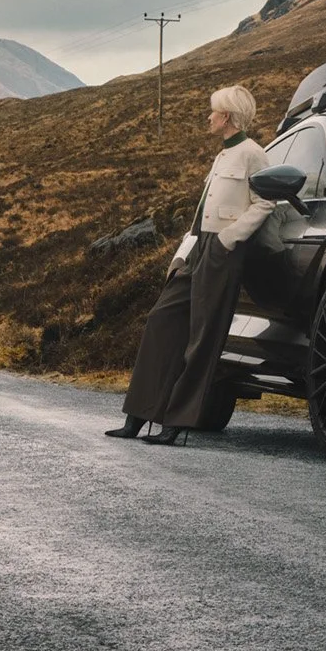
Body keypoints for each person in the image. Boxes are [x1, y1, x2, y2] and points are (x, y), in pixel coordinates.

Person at [108, 85, 277, 446]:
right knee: (161, 321)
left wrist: (230, 239)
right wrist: (183, 253)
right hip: (199, 248)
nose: (209, 117)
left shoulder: (253, 155)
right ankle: (138, 416)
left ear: (227, 117)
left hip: (223, 253)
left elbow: (265, 203)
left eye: (214, 112)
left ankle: (176, 423)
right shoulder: (222, 156)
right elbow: (202, 214)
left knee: (203, 339)